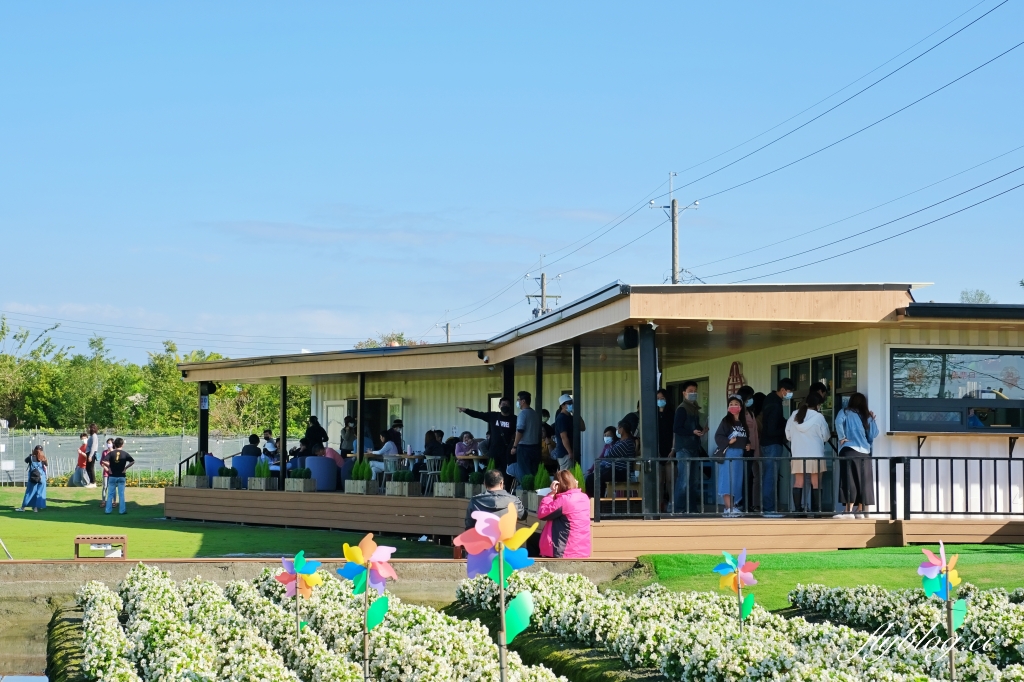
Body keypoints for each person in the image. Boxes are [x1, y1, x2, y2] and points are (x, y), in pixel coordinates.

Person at [785, 392, 831, 516]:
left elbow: (788, 435)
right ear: (818, 405)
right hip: (815, 454)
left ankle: (799, 511)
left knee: (798, 482)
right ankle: (817, 511)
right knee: (816, 483)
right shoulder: (819, 417)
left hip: (798, 454)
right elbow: (826, 436)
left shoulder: (795, 414)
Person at [835, 392, 879, 519]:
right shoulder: (866, 416)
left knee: (849, 480)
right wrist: (872, 419)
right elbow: (873, 434)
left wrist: (842, 437)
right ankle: (860, 511)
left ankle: (848, 511)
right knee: (863, 481)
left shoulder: (845, 412)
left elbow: (838, 422)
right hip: (865, 452)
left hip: (850, 450)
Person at [760, 378, 795, 517]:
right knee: (770, 477)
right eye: (789, 391)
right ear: (783, 390)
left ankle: (769, 508)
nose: (790, 394)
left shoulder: (769, 399)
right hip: (772, 444)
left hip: (766, 443)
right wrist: (788, 428)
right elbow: (772, 429)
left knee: (768, 476)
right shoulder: (775, 404)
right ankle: (769, 509)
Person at [538, 470, 592, 558]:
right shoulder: (584, 497)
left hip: (564, 551)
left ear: (557, 485)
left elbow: (542, 513)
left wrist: (551, 494)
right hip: (581, 550)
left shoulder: (564, 500)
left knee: (532, 541)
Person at [670, 381, 706, 513]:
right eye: (690, 391)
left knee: (693, 482)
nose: (693, 393)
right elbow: (676, 428)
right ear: (684, 393)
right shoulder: (682, 408)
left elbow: (694, 427)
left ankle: (691, 508)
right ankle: (678, 508)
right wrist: (692, 432)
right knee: (683, 481)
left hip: (694, 447)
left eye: (695, 390)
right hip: (684, 449)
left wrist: (702, 430)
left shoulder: (695, 408)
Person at [714, 395, 751, 518]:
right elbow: (718, 436)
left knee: (736, 481)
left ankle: (733, 506)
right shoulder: (725, 421)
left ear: (740, 407)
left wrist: (748, 444)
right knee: (727, 480)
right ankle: (728, 508)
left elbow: (746, 437)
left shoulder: (742, 423)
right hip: (729, 454)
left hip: (739, 455)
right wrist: (728, 442)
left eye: (736, 404)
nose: (733, 406)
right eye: (731, 404)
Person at [457, 397, 516, 474]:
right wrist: (466, 410)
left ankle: (506, 486)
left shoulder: (514, 419)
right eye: (503, 404)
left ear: (510, 406)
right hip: (494, 451)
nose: (505, 406)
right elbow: (479, 414)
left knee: (507, 473)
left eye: (507, 404)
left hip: (507, 451)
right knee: (492, 473)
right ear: (499, 406)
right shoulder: (493, 416)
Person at [584, 419, 636, 497]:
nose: (617, 430)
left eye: (618, 428)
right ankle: (596, 502)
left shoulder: (627, 443)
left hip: (620, 472)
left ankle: (597, 503)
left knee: (593, 478)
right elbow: (608, 453)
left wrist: (608, 451)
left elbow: (609, 453)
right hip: (613, 470)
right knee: (592, 477)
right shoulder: (620, 442)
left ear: (622, 429)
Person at [737, 385, 761, 513]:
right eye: (750, 397)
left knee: (750, 477)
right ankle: (742, 503)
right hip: (743, 448)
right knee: (743, 477)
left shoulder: (750, 412)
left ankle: (749, 503)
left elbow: (755, 433)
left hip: (751, 449)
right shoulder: (738, 413)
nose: (751, 399)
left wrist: (756, 450)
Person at [510, 391, 541, 485]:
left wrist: (514, 446)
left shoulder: (523, 414)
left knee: (524, 473)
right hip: (535, 447)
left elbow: (520, 430)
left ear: (523, 401)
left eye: (518, 400)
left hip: (524, 447)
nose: (517, 402)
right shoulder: (535, 414)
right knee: (533, 471)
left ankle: (526, 492)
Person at [551, 394, 586, 470]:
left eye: (571, 403)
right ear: (562, 405)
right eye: (568, 403)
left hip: (571, 452)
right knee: (566, 477)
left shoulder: (570, 417)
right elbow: (564, 437)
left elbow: (582, 428)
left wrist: (577, 415)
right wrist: (569, 452)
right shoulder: (561, 418)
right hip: (565, 453)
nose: (571, 405)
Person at [103, 438, 134, 515]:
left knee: (110, 494)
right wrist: (125, 468)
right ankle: (122, 510)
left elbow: (104, 461)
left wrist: (109, 467)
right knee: (121, 494)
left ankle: (108, 510)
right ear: (122, 444)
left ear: (114, 445)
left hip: (112, 476)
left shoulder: (111, 453)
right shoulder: (125, 453)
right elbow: (132, 461)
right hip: (121, 476)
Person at [16, 445, 48, 512]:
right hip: (42, 478)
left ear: (34, 450)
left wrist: (31, 455)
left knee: (30, 492)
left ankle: (23, 508)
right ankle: (35, 509)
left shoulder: (30, 457)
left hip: (33, 477)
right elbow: (46, 465)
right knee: (39, 493)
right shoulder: (43, 458)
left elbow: (25, 460)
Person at [85, 423, 101, 488]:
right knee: (87, 468)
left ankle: (93, 482)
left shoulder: (94, 436)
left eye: (89, 428)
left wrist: (90, 456)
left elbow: (93, 446)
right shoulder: (91, 436)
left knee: (90, 468)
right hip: (89, 453)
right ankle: (91, 481)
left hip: (91, 453)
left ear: (92, 428)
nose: (88, 429)